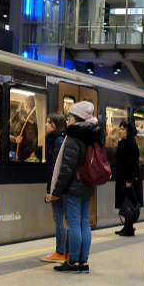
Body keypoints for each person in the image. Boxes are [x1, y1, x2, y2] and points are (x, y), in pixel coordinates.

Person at [47, 101, 104, 273]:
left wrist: (56, 191)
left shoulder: (74, 136)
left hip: (73, 186)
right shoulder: (96, 134)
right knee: (84, 223)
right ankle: (83, 262)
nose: (68, 119)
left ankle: (72, 262)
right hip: (88, 185)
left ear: (78, 117)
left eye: (70, 116)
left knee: (73, 224)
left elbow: (66, 167)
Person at [41, 112, 69, 263]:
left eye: (48, 122)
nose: (45, 125)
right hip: (61, 186)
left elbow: (55, 169)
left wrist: (50, 191)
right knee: (63, 219)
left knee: (59, 219)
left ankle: (60, 252)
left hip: (57, 187)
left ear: (55, 125)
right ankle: (64, 251)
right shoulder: (59, 139)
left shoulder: (58, 141)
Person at [113, 120, 141, 236]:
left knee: (129, 202)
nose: (120, 131)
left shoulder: (131, 144)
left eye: (123, 129)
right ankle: (126, 226)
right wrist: (119, 142)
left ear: (128, 131)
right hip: (123, 177)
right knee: (125, 202)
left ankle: (129, 228)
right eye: (120, 128)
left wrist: (129, 180)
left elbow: (133, 164)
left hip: (129, 179)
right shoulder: (125, 142)